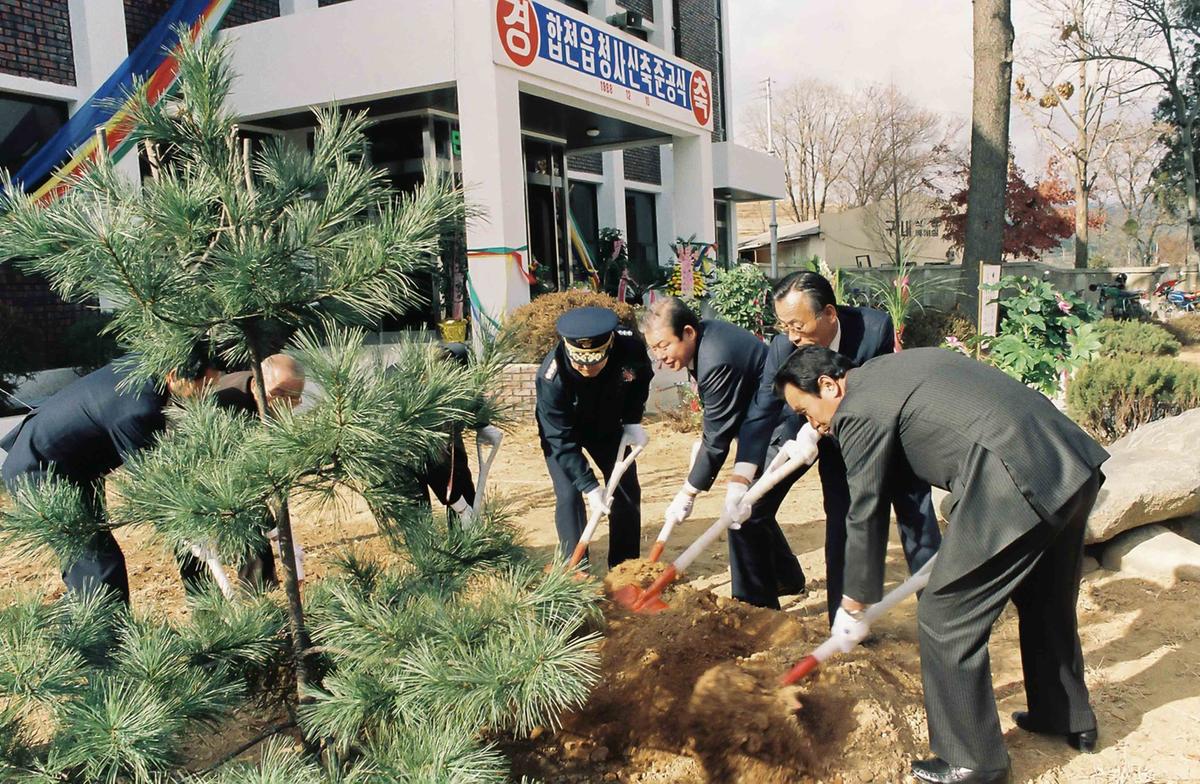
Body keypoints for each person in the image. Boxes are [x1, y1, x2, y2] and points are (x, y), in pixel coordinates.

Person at [774, 346, 1107, 784]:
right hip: (1068, 463)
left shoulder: (857, 410)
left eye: (806, 411)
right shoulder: (888, 373)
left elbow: (865, 510)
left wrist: (853, 601)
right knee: (1044, 595)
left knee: (943, 614)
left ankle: (973, 760)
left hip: (1012, 479)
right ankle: (1064, 715)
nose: (813, 425)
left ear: (828, 385)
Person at [739, 271, 942, 623]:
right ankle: (844, 622)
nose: (792, 336)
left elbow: (880, 395)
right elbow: (762, 410)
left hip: (892, 436)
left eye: (798, 325)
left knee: (917, 521)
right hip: (837, 447)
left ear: (829, 314)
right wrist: (741, 476)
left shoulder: (872, 329)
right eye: (784, 326)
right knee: (844, 526)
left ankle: (939, 614)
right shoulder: (784, 347)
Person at [0, 349, 220, 605]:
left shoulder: (147, 368)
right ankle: (96, 631)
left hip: (72, 467)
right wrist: (189, 524)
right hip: (40, 471)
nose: (206, 394)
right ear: (174, 376)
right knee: (98, 569)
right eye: (203, 386)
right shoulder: (138, 407)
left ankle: (203, 606)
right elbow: (159, 494)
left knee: (95, 567)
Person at [642, 296, 805, 609]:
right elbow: (718, 424)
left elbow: (718, 438)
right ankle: (785, 577)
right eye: (654, 349)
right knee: (756, 508)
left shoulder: (716, 357)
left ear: (688, 332)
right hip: (763, 429)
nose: (660, 357)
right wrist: (702, 450)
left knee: (742, 514)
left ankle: (753, 606)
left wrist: (689, 491)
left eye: (664, 346)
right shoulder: (706, 342)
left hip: (783, 429)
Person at [536, 306, 651, 567]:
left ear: (609, 347)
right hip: (565, 433)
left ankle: (624, 566)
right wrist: (589, 485)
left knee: (626, 489)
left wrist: (632, 419)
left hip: (607, 426)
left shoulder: (630, 348)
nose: (587, 369)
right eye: (579, 363)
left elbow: (641, 379)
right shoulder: (551, 378)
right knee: (569, 495)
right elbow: (559, 440)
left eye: (595, 361)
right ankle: (576, 569)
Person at [210, 353, 308, 589]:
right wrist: (273, 527)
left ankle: (262, 592)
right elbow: (230, 470)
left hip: (240, 472)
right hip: (205, 464)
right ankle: (251, 594)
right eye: (280, 394)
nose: (285, 404)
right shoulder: (224, 401)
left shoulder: (275, 403)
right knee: (248, 516)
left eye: (294, 398)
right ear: (258, 383)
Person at [416, 342, 503, 527]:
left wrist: (484, 425)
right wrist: (461, 507)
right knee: (419, 512)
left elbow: (474, 409)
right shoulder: (430, 400)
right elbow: (435, 465)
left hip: (441, 451)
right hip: (409, 456)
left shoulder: (449, 385)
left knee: (461, 480)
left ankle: (462, 538)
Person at [212, 353, 306, 414]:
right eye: (278, 395)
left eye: (293, 398)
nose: (284, 404)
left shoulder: (265, 386)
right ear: (255, 386)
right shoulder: (222, 405)